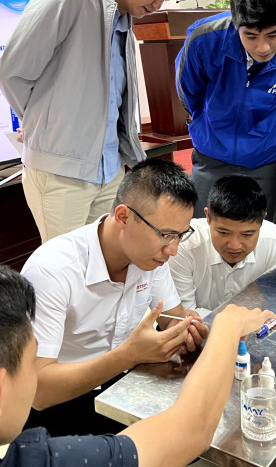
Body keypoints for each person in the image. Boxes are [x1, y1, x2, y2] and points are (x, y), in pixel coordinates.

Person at [0, 0, 185, 243]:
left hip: (109, 170)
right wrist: (38, 123)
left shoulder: (124, 21)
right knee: (65, 265)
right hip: (61, 171)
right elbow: (12, 71)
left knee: (102, 260)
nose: (157, 6)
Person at [0, 264, 273, 467]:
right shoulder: (41, 459)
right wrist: (227, 325)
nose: (171, 249)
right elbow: (190, 431)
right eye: (30, 362)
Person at [19, 159, 210, 437]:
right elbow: (38, 392)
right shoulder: (52, 271)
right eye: (166, 235)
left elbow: (172, 319)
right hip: (60, 403)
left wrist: (185, 330)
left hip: (122, 385)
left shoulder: (151, 257)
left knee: (194, 428)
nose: (173, 250)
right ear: (123, 216)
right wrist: (128, 356)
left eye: (181, 236)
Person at [176, 0, 276, 220]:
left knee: (259, 233)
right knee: (203, 230)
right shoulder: (204, 40)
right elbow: (188, 93)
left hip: (265, 161)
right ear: (235, 23)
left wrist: (269, 132)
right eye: (250, 36)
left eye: (273, 34)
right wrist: (209, 123)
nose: (262, 47)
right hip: (210, 154)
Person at [169, 175, 276, 317]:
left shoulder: (273, 240)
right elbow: (183, 314)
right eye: (224, 233)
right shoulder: (184, 244)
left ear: (262, 219)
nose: (234, 245)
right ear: (208, 217)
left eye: (247, 234)